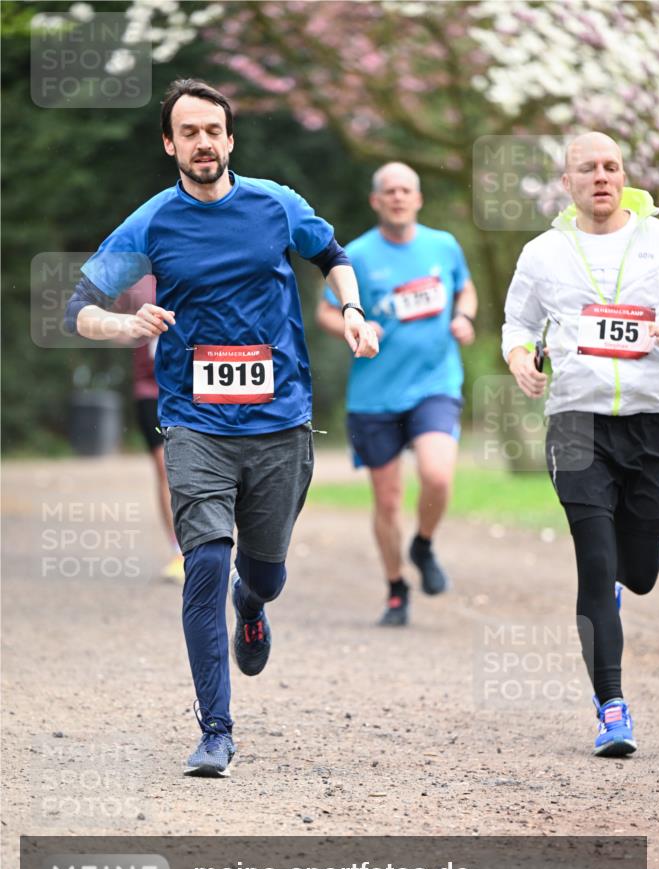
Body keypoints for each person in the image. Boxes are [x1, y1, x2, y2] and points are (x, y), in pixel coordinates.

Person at [65, 78, 378, 777]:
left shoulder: (276, 205)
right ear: (169, 143)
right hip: (193, 423)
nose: (202, 142)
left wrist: (352, 311)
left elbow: (332, 257)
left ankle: (253, 603)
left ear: (229, 139)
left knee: (262, 570)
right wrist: (124, 324)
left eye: (214, 130)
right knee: (204, 560)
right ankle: (215, 730)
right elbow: (78, 306)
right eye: (189, 132)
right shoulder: (150, 222)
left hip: (278, 422)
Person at [502, 131, 659, 757]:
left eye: (611, 167)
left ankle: (623, 585)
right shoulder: (544, 253)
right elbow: (516, 322)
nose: (601, 177)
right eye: (586, 169)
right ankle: (612, 708)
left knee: (642, 574)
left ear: (623, 176)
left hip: (654, 419)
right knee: (595, 562)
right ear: (566, 183)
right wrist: (520, 358)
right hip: (575, 422)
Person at [316, 162, 477, 626]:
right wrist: (356, 323)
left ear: (418, 198)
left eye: (407, 190)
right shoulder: (357, 256)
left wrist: (464, 317)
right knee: (387, 500)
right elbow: (328, 314)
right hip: (375, 396)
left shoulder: (443, 246)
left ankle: (423, 544)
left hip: (434, 384)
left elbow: (465, 291)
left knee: (438, 475)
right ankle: (395, 589)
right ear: (376, 201)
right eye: (390, 191)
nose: (399, 197)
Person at [114, 276, 184, 584]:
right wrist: (133, 326)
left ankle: (211, 545)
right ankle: (178, 551)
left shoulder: (200, 264)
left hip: (193, 389)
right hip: (151, 390)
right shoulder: (136, 283)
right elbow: (112, 327)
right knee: (165, 470)